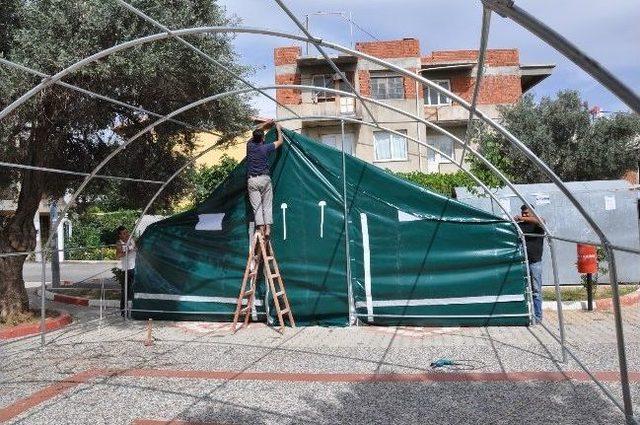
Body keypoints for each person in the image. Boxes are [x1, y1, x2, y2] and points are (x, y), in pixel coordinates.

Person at [246, 120, 284, 239]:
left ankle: (261, 228)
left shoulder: (249, 146)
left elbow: (256, 131)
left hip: (252, 180)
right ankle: (268, 229)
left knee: (256, 206)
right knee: (267, 205)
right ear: (263, 138)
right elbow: (280, 142)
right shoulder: (266, 148)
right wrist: (277, 128)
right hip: (264, 179)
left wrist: (266, 124)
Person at [515, 204, 545, 323]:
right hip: (521, 261)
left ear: (533, 213)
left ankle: (537, 317)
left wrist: (523, 218)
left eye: (527, 213)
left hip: (534, 262)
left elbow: (541, 220)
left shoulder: (537, 225)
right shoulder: (519, 226)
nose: (525, 215)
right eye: (523, 213)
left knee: (536, 290)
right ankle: (524, 314)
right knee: (521, 289)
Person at [115, 226, 136, 317]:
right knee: (125, 291)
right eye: (124, 233)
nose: (126, 234)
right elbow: (118, 255)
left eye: (127, 232)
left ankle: (135, 309)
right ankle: (123, 311)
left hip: (135, 268)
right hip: (126, 269)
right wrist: (129, 249)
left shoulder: (132, 240)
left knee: (134, 290)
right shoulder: (119, 243)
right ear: (120, 235)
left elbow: (138, 249)